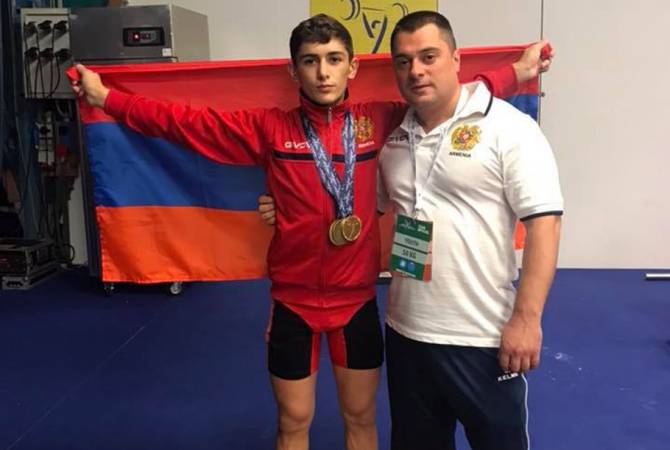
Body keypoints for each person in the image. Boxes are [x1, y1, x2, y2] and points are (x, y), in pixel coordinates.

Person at [71, 14, 549, 450]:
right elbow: (184, 123)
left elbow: (450, 95)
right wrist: (106, 98)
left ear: (352, 68)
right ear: (293, 70)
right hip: (293, 304)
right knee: (293, 422)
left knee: (360, 419)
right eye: (311, 61)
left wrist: (517, 72)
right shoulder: (269, 128)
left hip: (356, 304)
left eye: (334, 60)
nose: (323, 73)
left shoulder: (381, 120)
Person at [258, 11, 562, 450]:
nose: (416, 70)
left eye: (429, 56)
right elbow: (356, 200)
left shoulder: (511, 130)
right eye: (403, 61)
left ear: (456, 59)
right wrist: (287, 204)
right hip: (407, 331)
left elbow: (545, 224)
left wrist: (527, 319)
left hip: (481, 333)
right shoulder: (394, 136)